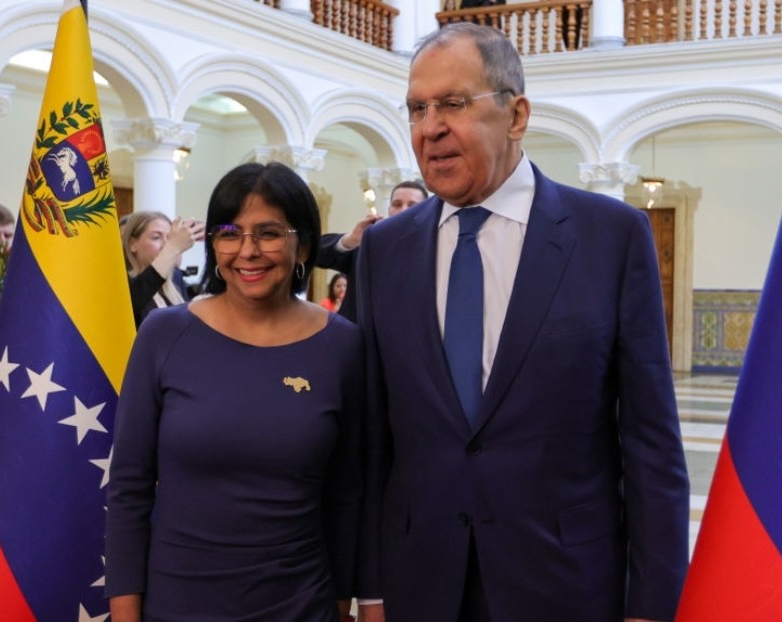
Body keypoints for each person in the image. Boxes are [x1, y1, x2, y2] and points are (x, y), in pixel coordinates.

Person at [356, 23, 689, 622]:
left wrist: (651, 605)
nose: (430, 127)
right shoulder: (385, 250)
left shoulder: (610, 237)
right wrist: (372, 590)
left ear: (516, 115)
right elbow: (374, 440)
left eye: (453, 103)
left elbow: (651, 444)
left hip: (562, 585)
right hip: (421, 585)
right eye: (417, 109)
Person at [106, 162, 364, 622]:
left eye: (269, 233)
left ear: (304, 245)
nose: (247, 251)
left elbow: (347, 494)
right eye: (229, 233)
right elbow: (129, 487)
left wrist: (342, 603)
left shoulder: (342, 345)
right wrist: (125, 612)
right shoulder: (164, 335)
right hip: (178, 604)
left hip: (301, 605)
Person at [316, 180, 428, 322]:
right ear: (389, 209)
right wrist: (350, 240)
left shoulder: (433, 249)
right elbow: (315, 253)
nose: (403, 210)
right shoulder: (366, 245)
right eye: (397, 204)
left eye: (412, 205)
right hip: (359, 332)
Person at [120, 211, 205, 327]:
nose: (166, 245)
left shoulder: (176, 278)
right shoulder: (123, 284)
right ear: (132, 244)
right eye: (156, 237)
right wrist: (173, 247)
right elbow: (140, 293)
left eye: (170, 238)